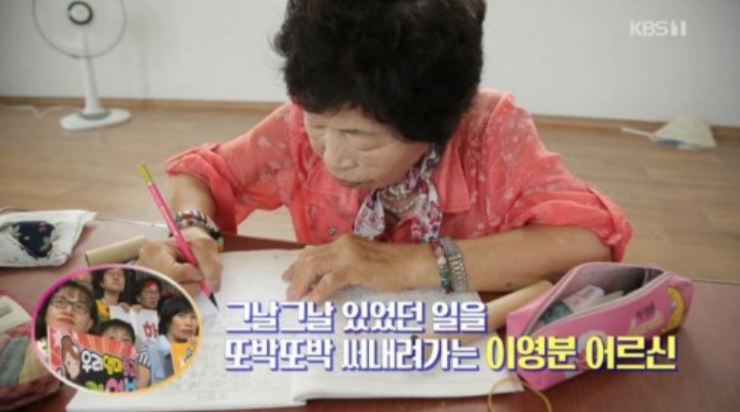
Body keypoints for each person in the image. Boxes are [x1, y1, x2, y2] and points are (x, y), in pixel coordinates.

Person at [138, 0, 632, 304]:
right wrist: (193, 230)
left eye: (362, 138)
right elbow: (204, 173)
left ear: (436, 124)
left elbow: (590, 241)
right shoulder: (300, 123)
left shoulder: (490, 133)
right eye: (318, 124)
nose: (332, 156)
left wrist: (407, 264)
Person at [137, 296, 197, 388]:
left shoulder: (198, 350)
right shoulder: (147, 352)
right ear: (166, 320)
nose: (189, 323)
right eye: (181, 315)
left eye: (193, 317)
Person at [34, 280, 98, 357]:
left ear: (89, 324)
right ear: (45, 312)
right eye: (60, 302)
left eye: (79, 307)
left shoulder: (103, 358)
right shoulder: (23, 346)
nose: (69, 311)